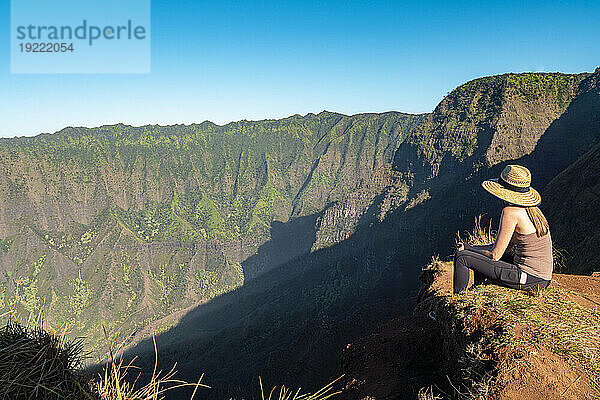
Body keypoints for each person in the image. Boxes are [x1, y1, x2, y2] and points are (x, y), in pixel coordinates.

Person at [453, 165, 553, 294]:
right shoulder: (534, 211)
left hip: (528, 278)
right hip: (541, 279)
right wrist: (469, 247)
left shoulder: (510, 212)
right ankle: (478, 291)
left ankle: (458, 299)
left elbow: (494, 255)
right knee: (475, 256)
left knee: (462, 258)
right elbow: (502, 248)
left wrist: (466, 250)